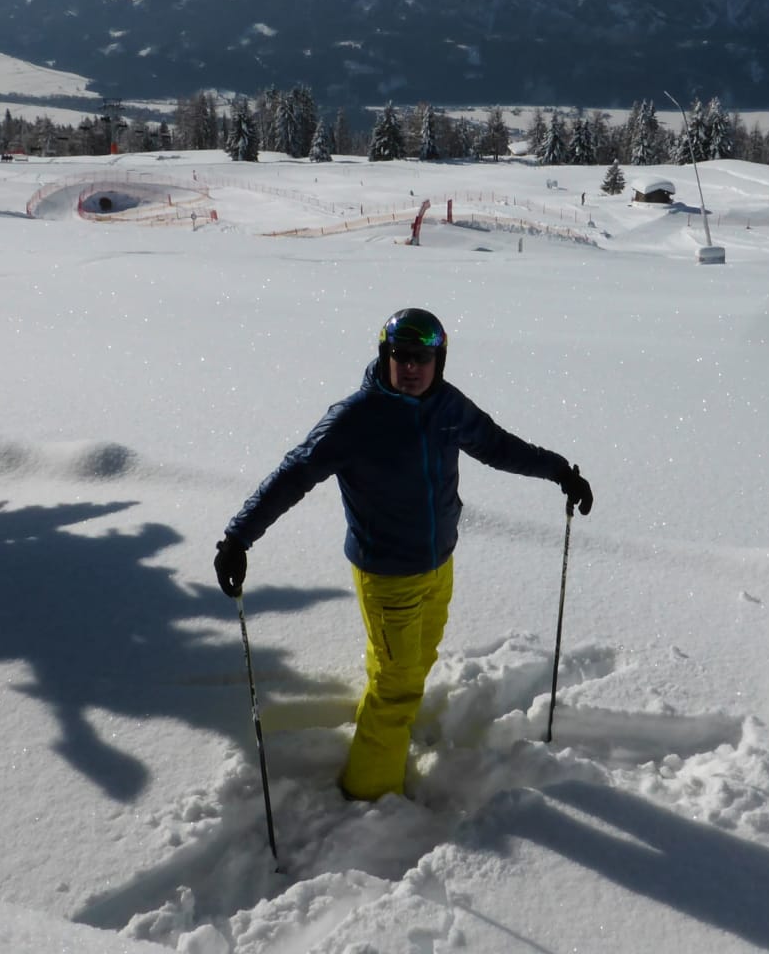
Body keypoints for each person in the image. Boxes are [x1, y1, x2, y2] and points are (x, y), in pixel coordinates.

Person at [214, 308, 594, 801]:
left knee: (415, 660)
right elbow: (295, 473)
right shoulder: (356, 418)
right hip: (387, 574)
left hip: (438, 564)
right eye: (401, 356)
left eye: (422, 358)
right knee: (398, 687)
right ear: (385, 356)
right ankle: (370, 797)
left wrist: (559, 471)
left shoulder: (447, 407)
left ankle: (381, 733)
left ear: (439, 361)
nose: (411, 367)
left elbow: (497, 445)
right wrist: (238, 538)